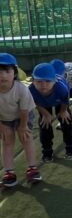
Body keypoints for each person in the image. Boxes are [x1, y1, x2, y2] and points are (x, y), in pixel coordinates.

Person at [0, 53, 41, 187]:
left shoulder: (21, 89)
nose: (3, 75)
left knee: (26, 137)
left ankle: (32, 168)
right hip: (3, 119)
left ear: (15, 73)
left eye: (7, 71)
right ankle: (9, 173)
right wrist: (2, 126)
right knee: (7, 142)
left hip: (23, 116)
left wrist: (23, 126)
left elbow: (24, 110)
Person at [28, 62, 72, 161]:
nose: (43, 85)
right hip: (43, 104)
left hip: (60, 102)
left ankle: (70, 147)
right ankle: (47, 151)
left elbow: (65, 100)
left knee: (66, 122)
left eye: (47, 81)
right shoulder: (31, 90)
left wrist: (63, 111)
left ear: (54, 81)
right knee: (44, 125)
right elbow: (34, 102)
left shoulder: (61, 88)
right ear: (33, 81)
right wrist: (45, 114)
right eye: (39, 81)